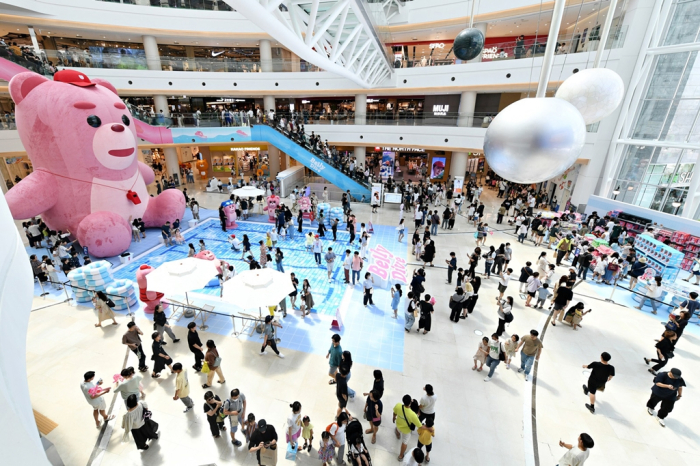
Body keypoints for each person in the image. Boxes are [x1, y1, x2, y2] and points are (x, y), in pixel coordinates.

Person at [393, 394, 422, 461]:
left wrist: (394, 417)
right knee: (404, 442)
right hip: (406, 430)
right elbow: (419, 425)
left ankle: (397, 434)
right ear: (410, 403)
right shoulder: (413, 414)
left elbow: (394, 413)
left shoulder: (398, 405)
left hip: (398, 424)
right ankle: (400, 456)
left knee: (397, 429)